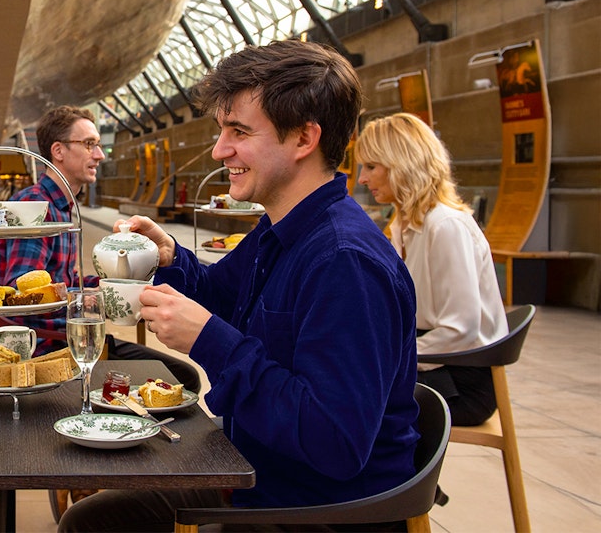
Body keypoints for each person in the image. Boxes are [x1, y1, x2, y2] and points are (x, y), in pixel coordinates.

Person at [61, 41, 419, 532]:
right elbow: (222, 295)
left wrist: (209, 340)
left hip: (314, 511)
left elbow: (335, 442)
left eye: (239, 132)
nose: (219, 149)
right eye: (221, 131)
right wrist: (170, 257)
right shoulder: (280, 231)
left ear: (303, 138)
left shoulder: (344, 262)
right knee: (93, 517)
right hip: (256, 471)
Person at [0, 106, 202, 393]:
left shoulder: (64, 207)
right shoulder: (35, 209)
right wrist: (93, 299)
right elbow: (24, 293)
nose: (99, 155)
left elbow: (63, 282)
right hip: (51, 346)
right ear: (58, 151)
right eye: (89, 144)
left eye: (98, 145)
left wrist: (119, 285)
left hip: (72, 337)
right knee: (182, 378)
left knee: (181, 375)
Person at [356, 112, 508, 426]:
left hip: (462, 380)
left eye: (371, 167)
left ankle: (400, 475)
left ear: (402, 165)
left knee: (351, 398)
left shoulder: (446, 226)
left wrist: (390, 359)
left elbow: (460, 330)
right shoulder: (405, 222)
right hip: (434, 359)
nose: (361, 179)